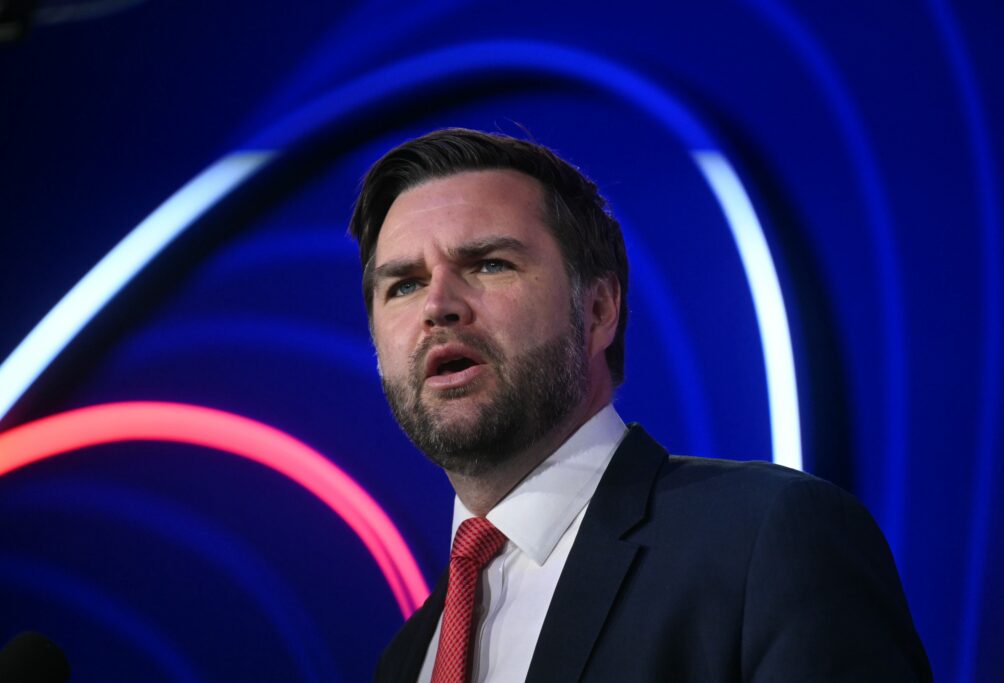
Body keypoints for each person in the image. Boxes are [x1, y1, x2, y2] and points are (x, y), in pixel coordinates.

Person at [349, 128, 932, 682]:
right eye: (404, 284)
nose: (438, 306)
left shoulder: (768, 540)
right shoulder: (407, 658)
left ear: (599, 310)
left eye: (489, 264)